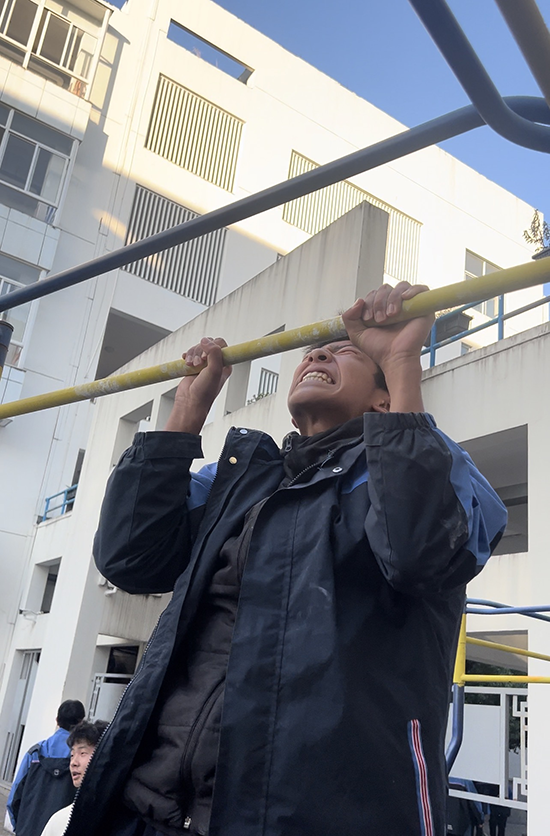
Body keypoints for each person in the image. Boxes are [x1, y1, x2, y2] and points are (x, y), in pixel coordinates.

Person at [66, 283, 507, 836]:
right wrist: (186, 411)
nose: (317, 354)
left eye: (345, 352)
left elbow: (423, 554)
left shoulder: (430, 464)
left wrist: (400, 364)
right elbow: (130, 558)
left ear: (382, 401)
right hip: (150, 807)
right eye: (313, 352)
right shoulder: (239, 482)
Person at [7, 700, 85, 836]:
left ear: (57, 720)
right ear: (81, 723)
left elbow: (14, 799)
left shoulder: (34, 753)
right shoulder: (83, 761)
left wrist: (20, 828)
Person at [40, 720, 109, 836]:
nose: (73, 763)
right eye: (72, 755)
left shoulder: (127, 820)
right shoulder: (60, 821)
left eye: (82, 753)